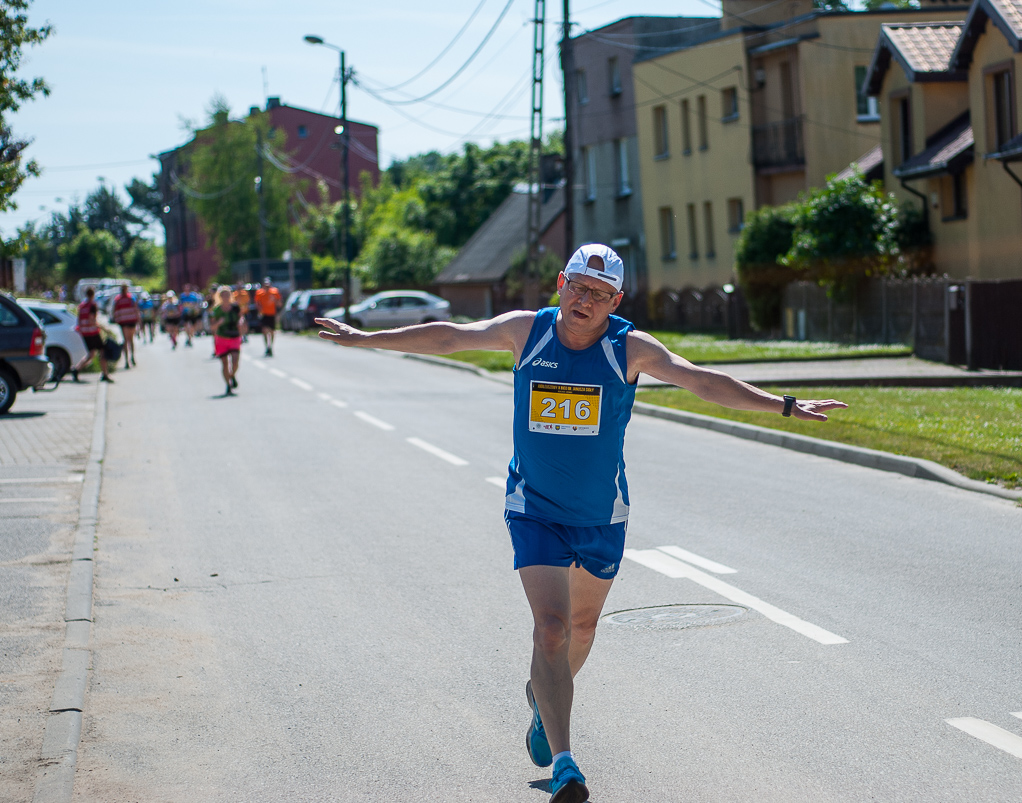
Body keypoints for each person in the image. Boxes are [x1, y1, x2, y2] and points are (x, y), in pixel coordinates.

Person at [317, 244, 847, 803]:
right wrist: (365, 338)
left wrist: (784, 405)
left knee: (583, 628)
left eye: (599, 293)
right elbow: (451, 336)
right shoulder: (527, 332)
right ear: (560, 284)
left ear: (616, 301)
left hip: (601, 515)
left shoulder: (629, 348)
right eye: (577, 286)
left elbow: (700, 381)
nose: (585, 300)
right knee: (551, 627)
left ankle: (542, 701)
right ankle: (565, 764)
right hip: (535, 508)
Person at [71, 286, 113, 383]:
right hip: (93, 332)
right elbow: (92, 320)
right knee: (102, 351)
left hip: (85, 333)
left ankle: (76, 369)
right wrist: (103, 328)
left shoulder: (82, 306)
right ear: (93, 295)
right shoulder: (92, 305)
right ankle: (105, 374)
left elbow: (79, 320)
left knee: (91, 354)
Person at [210, 285, 246, 396]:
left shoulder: (235, 307)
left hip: (234, 336)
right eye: (223, 295)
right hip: (222, 338)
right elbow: (212, 327)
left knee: (235, 362)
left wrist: (240, 322)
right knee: (225, 364)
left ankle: (232, 375)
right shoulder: (216, 310)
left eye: (227, 295)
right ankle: (228, 385)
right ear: (220, 296)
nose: (225, 297)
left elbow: (241, 317)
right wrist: (218, 323)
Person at [110, 284, 140, 368]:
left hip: (126, 321)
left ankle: (130, 359)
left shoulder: (120, 299)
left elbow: (114, 311)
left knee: (127, 340)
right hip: (128, 321)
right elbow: (136, 309)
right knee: (129, 340)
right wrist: (138, 319)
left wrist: (116, 319)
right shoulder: (130, 298)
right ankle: (129, 359)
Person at [255, 277, 282, 356]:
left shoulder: (274, 292)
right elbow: (257, 303)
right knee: (264, 330)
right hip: (264, 314)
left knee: (272, 331)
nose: (267, 287)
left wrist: (275, 301)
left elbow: (279, 303)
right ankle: (267, 346)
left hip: (272, 314)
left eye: (268, 285)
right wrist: (259, 310)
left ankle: (271, 346)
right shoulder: (259, 293)